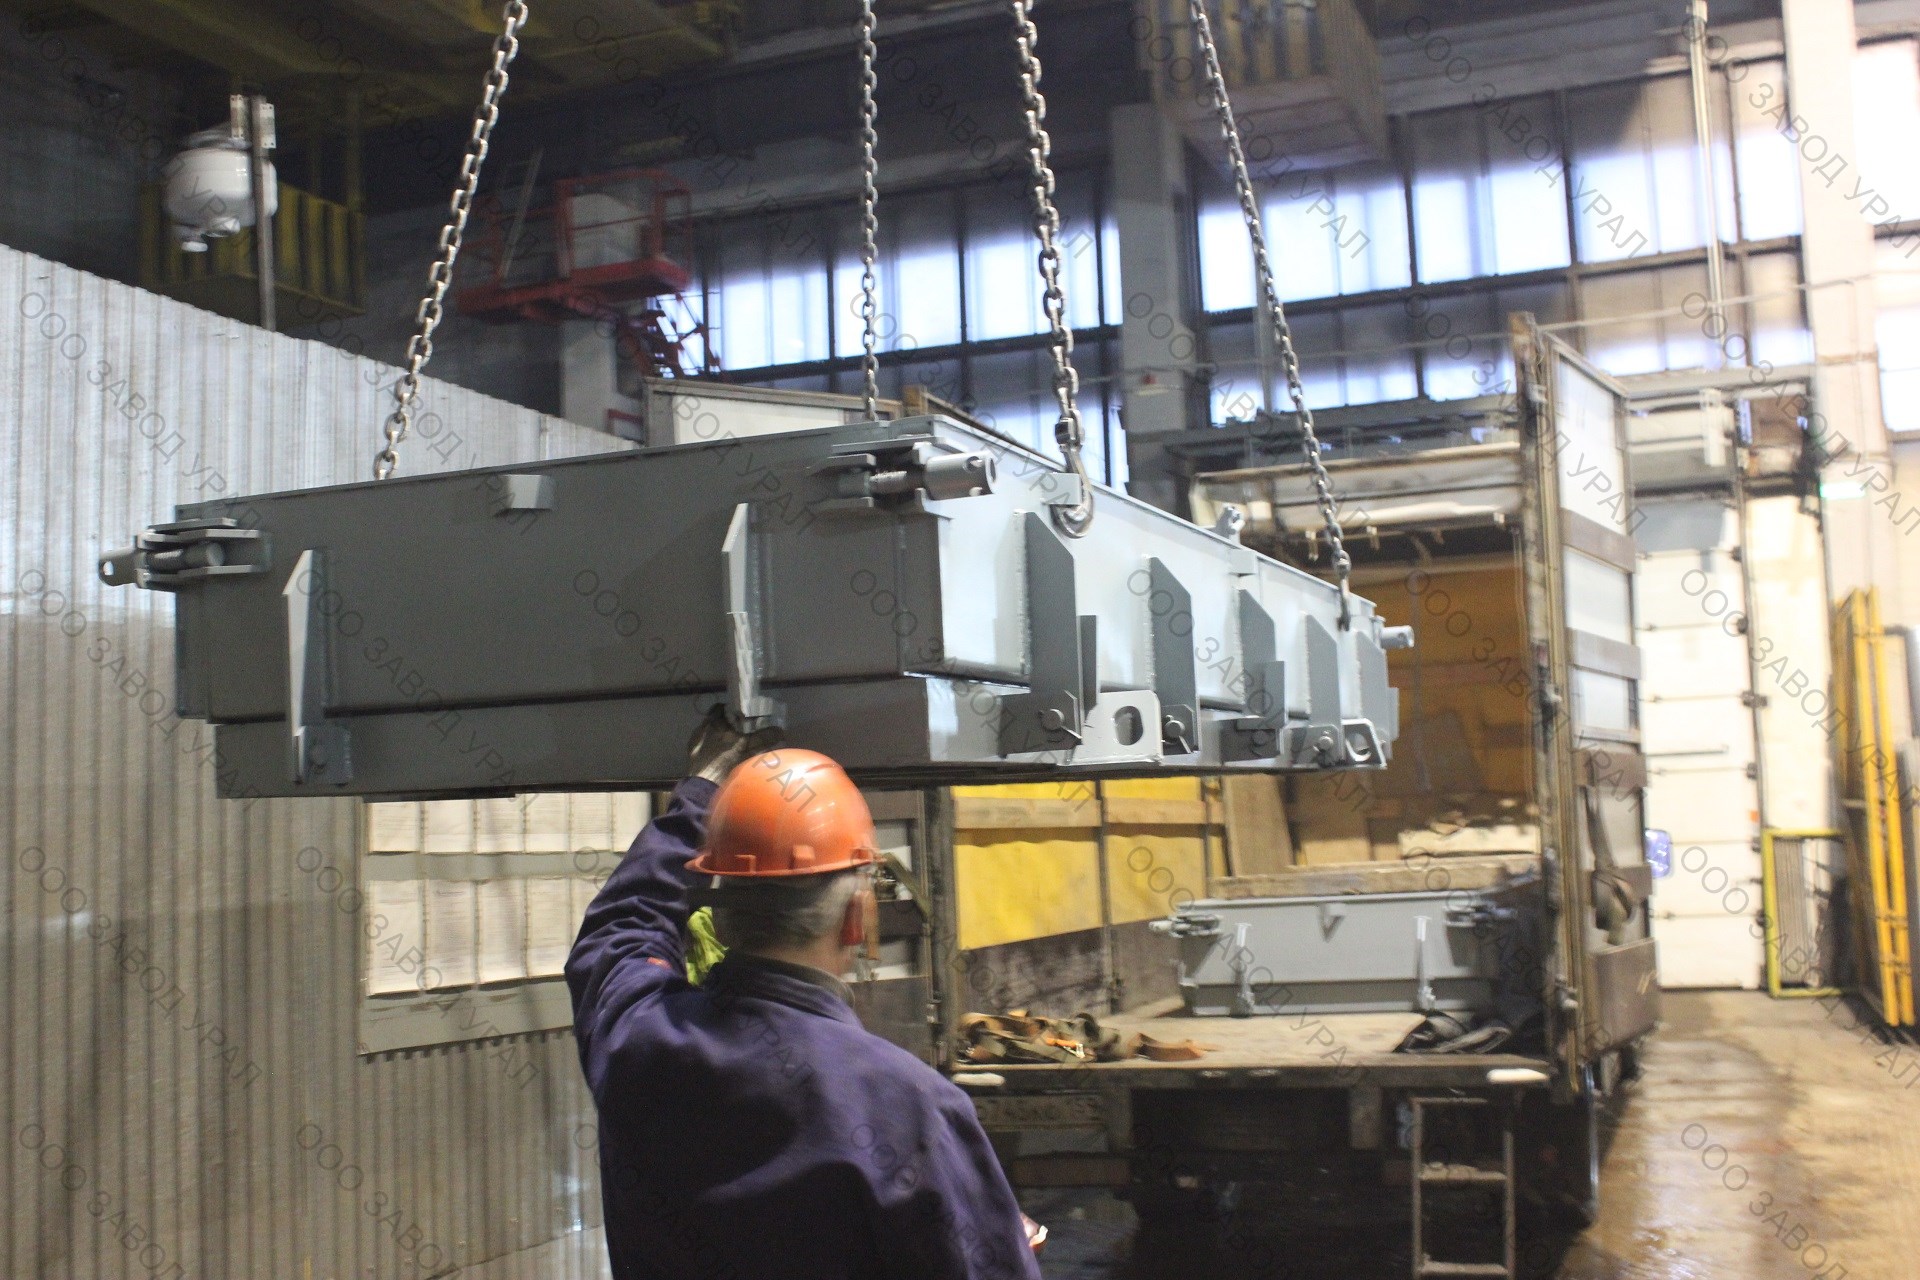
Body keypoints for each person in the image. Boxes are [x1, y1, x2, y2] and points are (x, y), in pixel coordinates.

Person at [567, 709, 1044, 1280]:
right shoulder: (912, 1109)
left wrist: (699, 795)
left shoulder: (639, 1043)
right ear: (858, 919)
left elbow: (621, 928)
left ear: (717, 919)